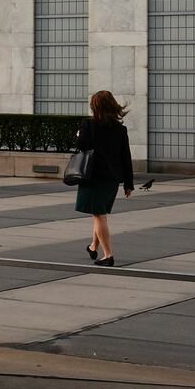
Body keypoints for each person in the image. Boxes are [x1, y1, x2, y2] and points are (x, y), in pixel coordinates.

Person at [77, 90, 135, 267]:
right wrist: (128, 183)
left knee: (99, 215)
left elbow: (81, 146)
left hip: (93, 177)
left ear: (95, 107)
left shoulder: (88, 125)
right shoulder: (120, 129)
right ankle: (93, 246)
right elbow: (126, 156)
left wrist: (79, 134)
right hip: (111, 178)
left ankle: (108, 255)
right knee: (99, 213)